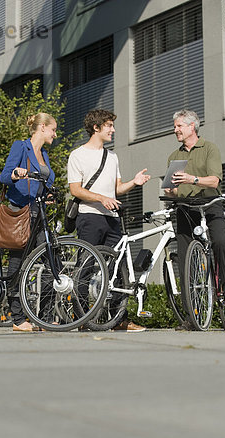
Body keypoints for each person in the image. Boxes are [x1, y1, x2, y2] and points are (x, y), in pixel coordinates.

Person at [67, 108, 151, 332]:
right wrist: (101, 198)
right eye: (109, 126)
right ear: (96, 128)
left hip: (112, 218)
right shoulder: (77, 155)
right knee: (85, 267)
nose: (113, 130)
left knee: (118, 268)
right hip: (89, 217)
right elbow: (75, 189)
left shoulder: (112, 156)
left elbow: (117, 189)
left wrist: (134, 182)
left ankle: (119, 319)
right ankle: (81, 318)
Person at [164, 109, 225, 325]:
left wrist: (192, 178)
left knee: (220, 242)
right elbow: (172, 189)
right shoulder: (174, 156)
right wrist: (170, 190)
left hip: (210, 204)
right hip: (185, 208)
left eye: (179, 126)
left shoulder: (209, 148)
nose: (175, 130)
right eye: (175, 127)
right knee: (184, 258)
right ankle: (191, 315)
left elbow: (214, 181)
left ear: (192, 127)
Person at [0, 112, 57, 332]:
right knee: (17, 265)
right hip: (21, 212)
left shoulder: (43, 153)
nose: (55, 134)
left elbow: (45, 180)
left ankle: (44, 317)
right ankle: (18, 319)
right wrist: (16, 173)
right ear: (42, 127)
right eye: (53, 129)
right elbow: (4, 176)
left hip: (39, 212)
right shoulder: (20, 147)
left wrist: (49, 194)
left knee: (52, 262)